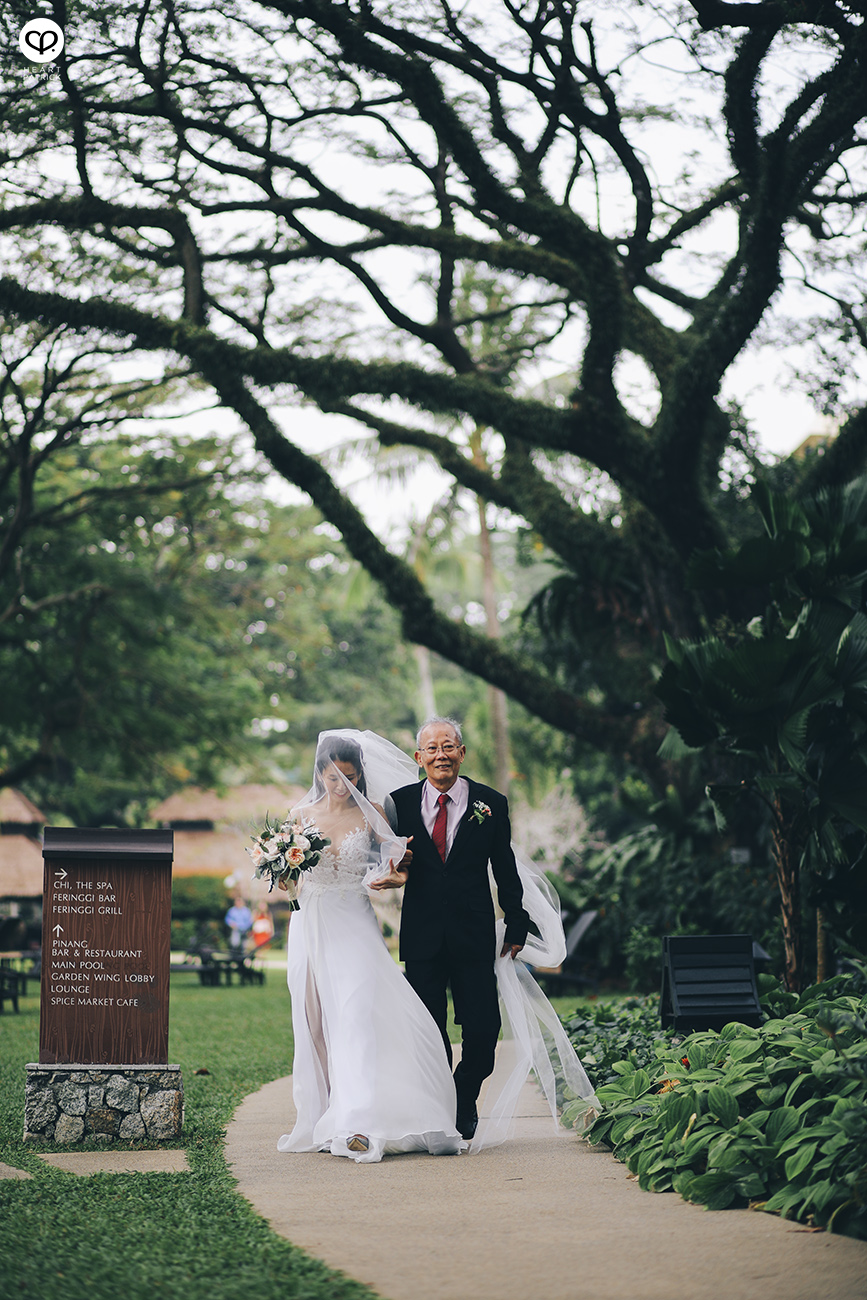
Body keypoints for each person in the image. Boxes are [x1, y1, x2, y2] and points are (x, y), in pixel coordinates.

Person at [372, 717, 598, 1149]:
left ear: (462, 752)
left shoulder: (490, 803)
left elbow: (505, 867)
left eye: (449, 746)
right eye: (432, 749)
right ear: (419, 758)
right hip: (421, 935)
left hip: (474, 934)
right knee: (428, 1028)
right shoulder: (397, 802)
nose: (441, 755)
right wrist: (385, 877)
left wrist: (516, 919)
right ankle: (439, 1109)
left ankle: (464, 1093)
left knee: (483, 1029)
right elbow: (387, 860)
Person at [277, 732, 462, 1164]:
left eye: (350, 776)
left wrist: (392, 876)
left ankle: (357, 1124)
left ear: (361, 773)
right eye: (333, 777)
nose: (342, 786)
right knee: (316, 1023)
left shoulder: (374, 813)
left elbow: (398, 865)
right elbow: (289, 883)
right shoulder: (298, 815)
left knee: (357, 1013)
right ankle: (325, 1115)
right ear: (320, 773)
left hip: (354, 919)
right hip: (310, 923)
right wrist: (280, 869)